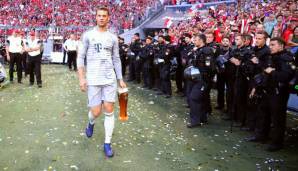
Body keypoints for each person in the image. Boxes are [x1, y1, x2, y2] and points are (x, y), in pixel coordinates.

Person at [77, 6, 127, 158]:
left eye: (104, 15)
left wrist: (120, 79)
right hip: (93, 79)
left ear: (108, 18)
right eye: (99, 15)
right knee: (96, 112)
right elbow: (80, 57)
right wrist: (81, 78)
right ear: (96, 17)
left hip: (109, 79)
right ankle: (90, 123)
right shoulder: (88, 35)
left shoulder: (113, 38)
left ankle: (107, 143)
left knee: (109, 109)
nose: (101, 18)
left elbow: (116, 59)